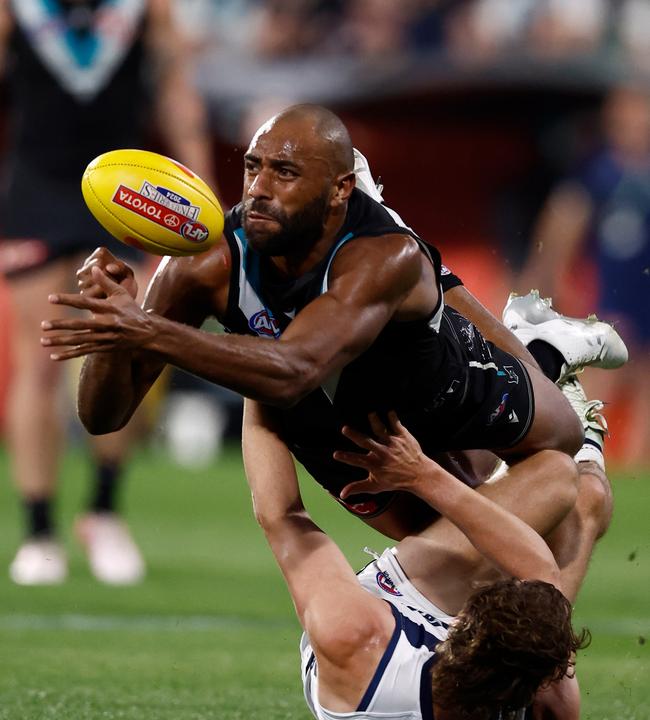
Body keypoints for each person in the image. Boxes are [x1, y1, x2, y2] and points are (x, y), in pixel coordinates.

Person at [41, 104, 626, 540]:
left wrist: (146, 330)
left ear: (340, 189)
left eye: (285, 173)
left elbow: (294, 368)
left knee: (562, 444)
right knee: (456, 556)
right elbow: (101, 416)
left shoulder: (382, 254)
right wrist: (115, 327)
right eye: (251, 168)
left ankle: (540, 350)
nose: (259, 190)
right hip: (349, 422)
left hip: (440, 383)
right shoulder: (208, 261)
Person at [242, 372, 612, 720]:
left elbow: (282, 515)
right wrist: (426, 478)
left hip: (387, 634)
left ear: (459, 628)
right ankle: (586, 434)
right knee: (588, 496)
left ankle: (536, 363)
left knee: (553, 476)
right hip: (464, 681)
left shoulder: (352, 632)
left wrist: (263, 378)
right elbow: (543, 574)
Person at [0, 0, 215, 584]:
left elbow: (176, 95)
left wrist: (207, 202)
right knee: (39, 358)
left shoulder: (148, 10)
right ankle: (39, 529)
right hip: (36, 189)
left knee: (124, 348)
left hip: (126, 192)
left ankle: (103, 510)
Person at [518, 84, 650, 466]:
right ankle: (588, 456)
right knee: (605, 373)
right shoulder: (598, 168)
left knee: (646, 381)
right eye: (624, 113)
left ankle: (638, 465)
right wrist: (553, 271)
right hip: (613, 288)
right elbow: (565, 218)